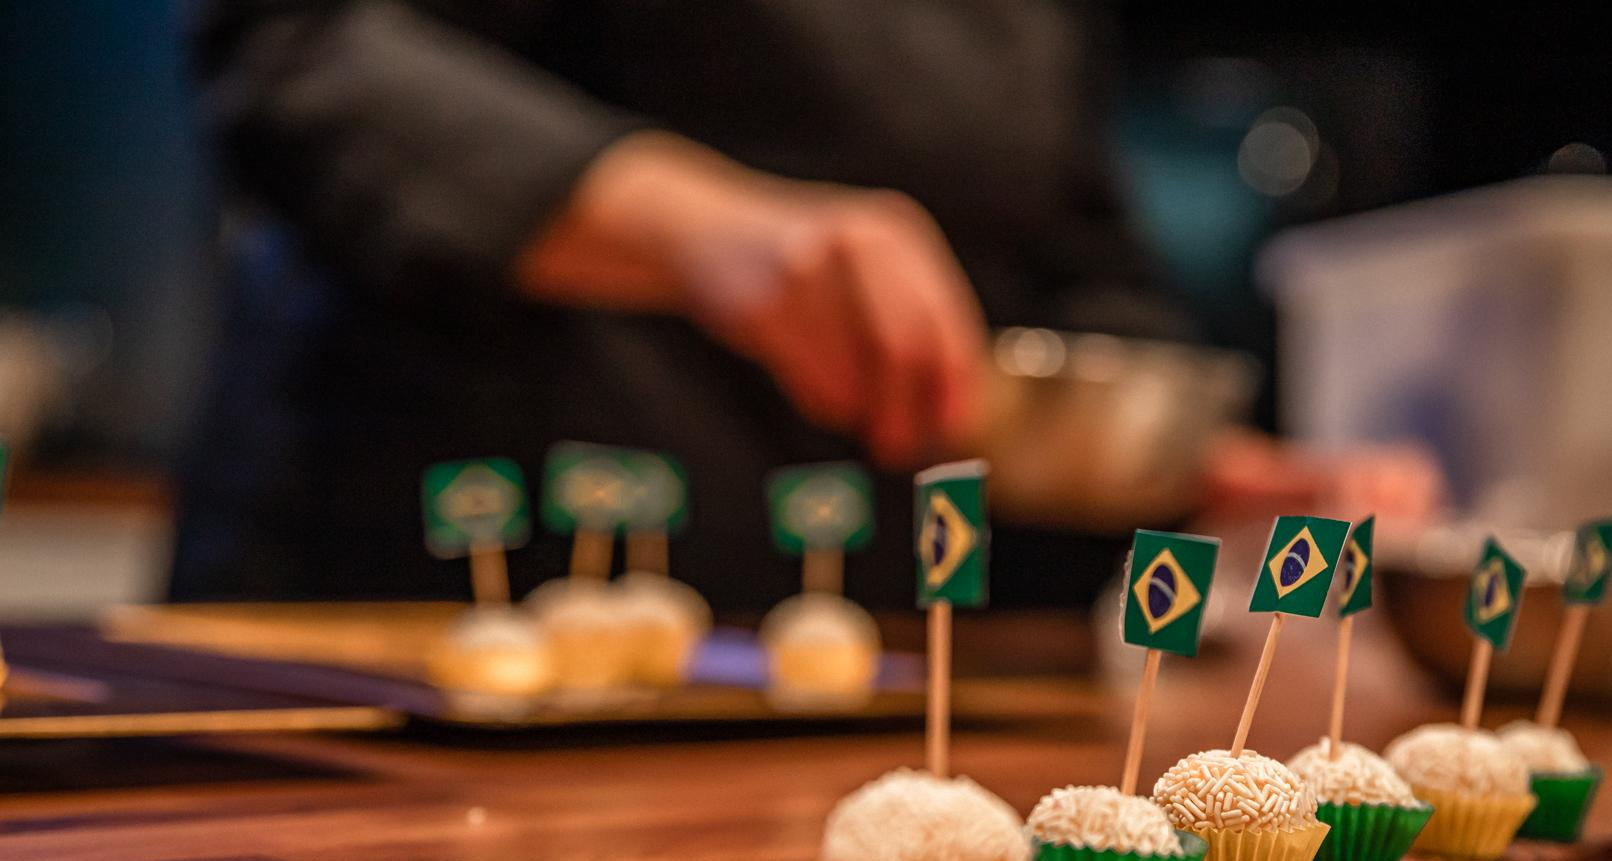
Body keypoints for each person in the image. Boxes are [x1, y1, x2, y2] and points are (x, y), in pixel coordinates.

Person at [179, 1, 1437, 612]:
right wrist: (710, 230)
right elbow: (300, 50)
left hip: (871, 674)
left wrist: (1178, 461)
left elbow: (1075, 270)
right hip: (411, 626)